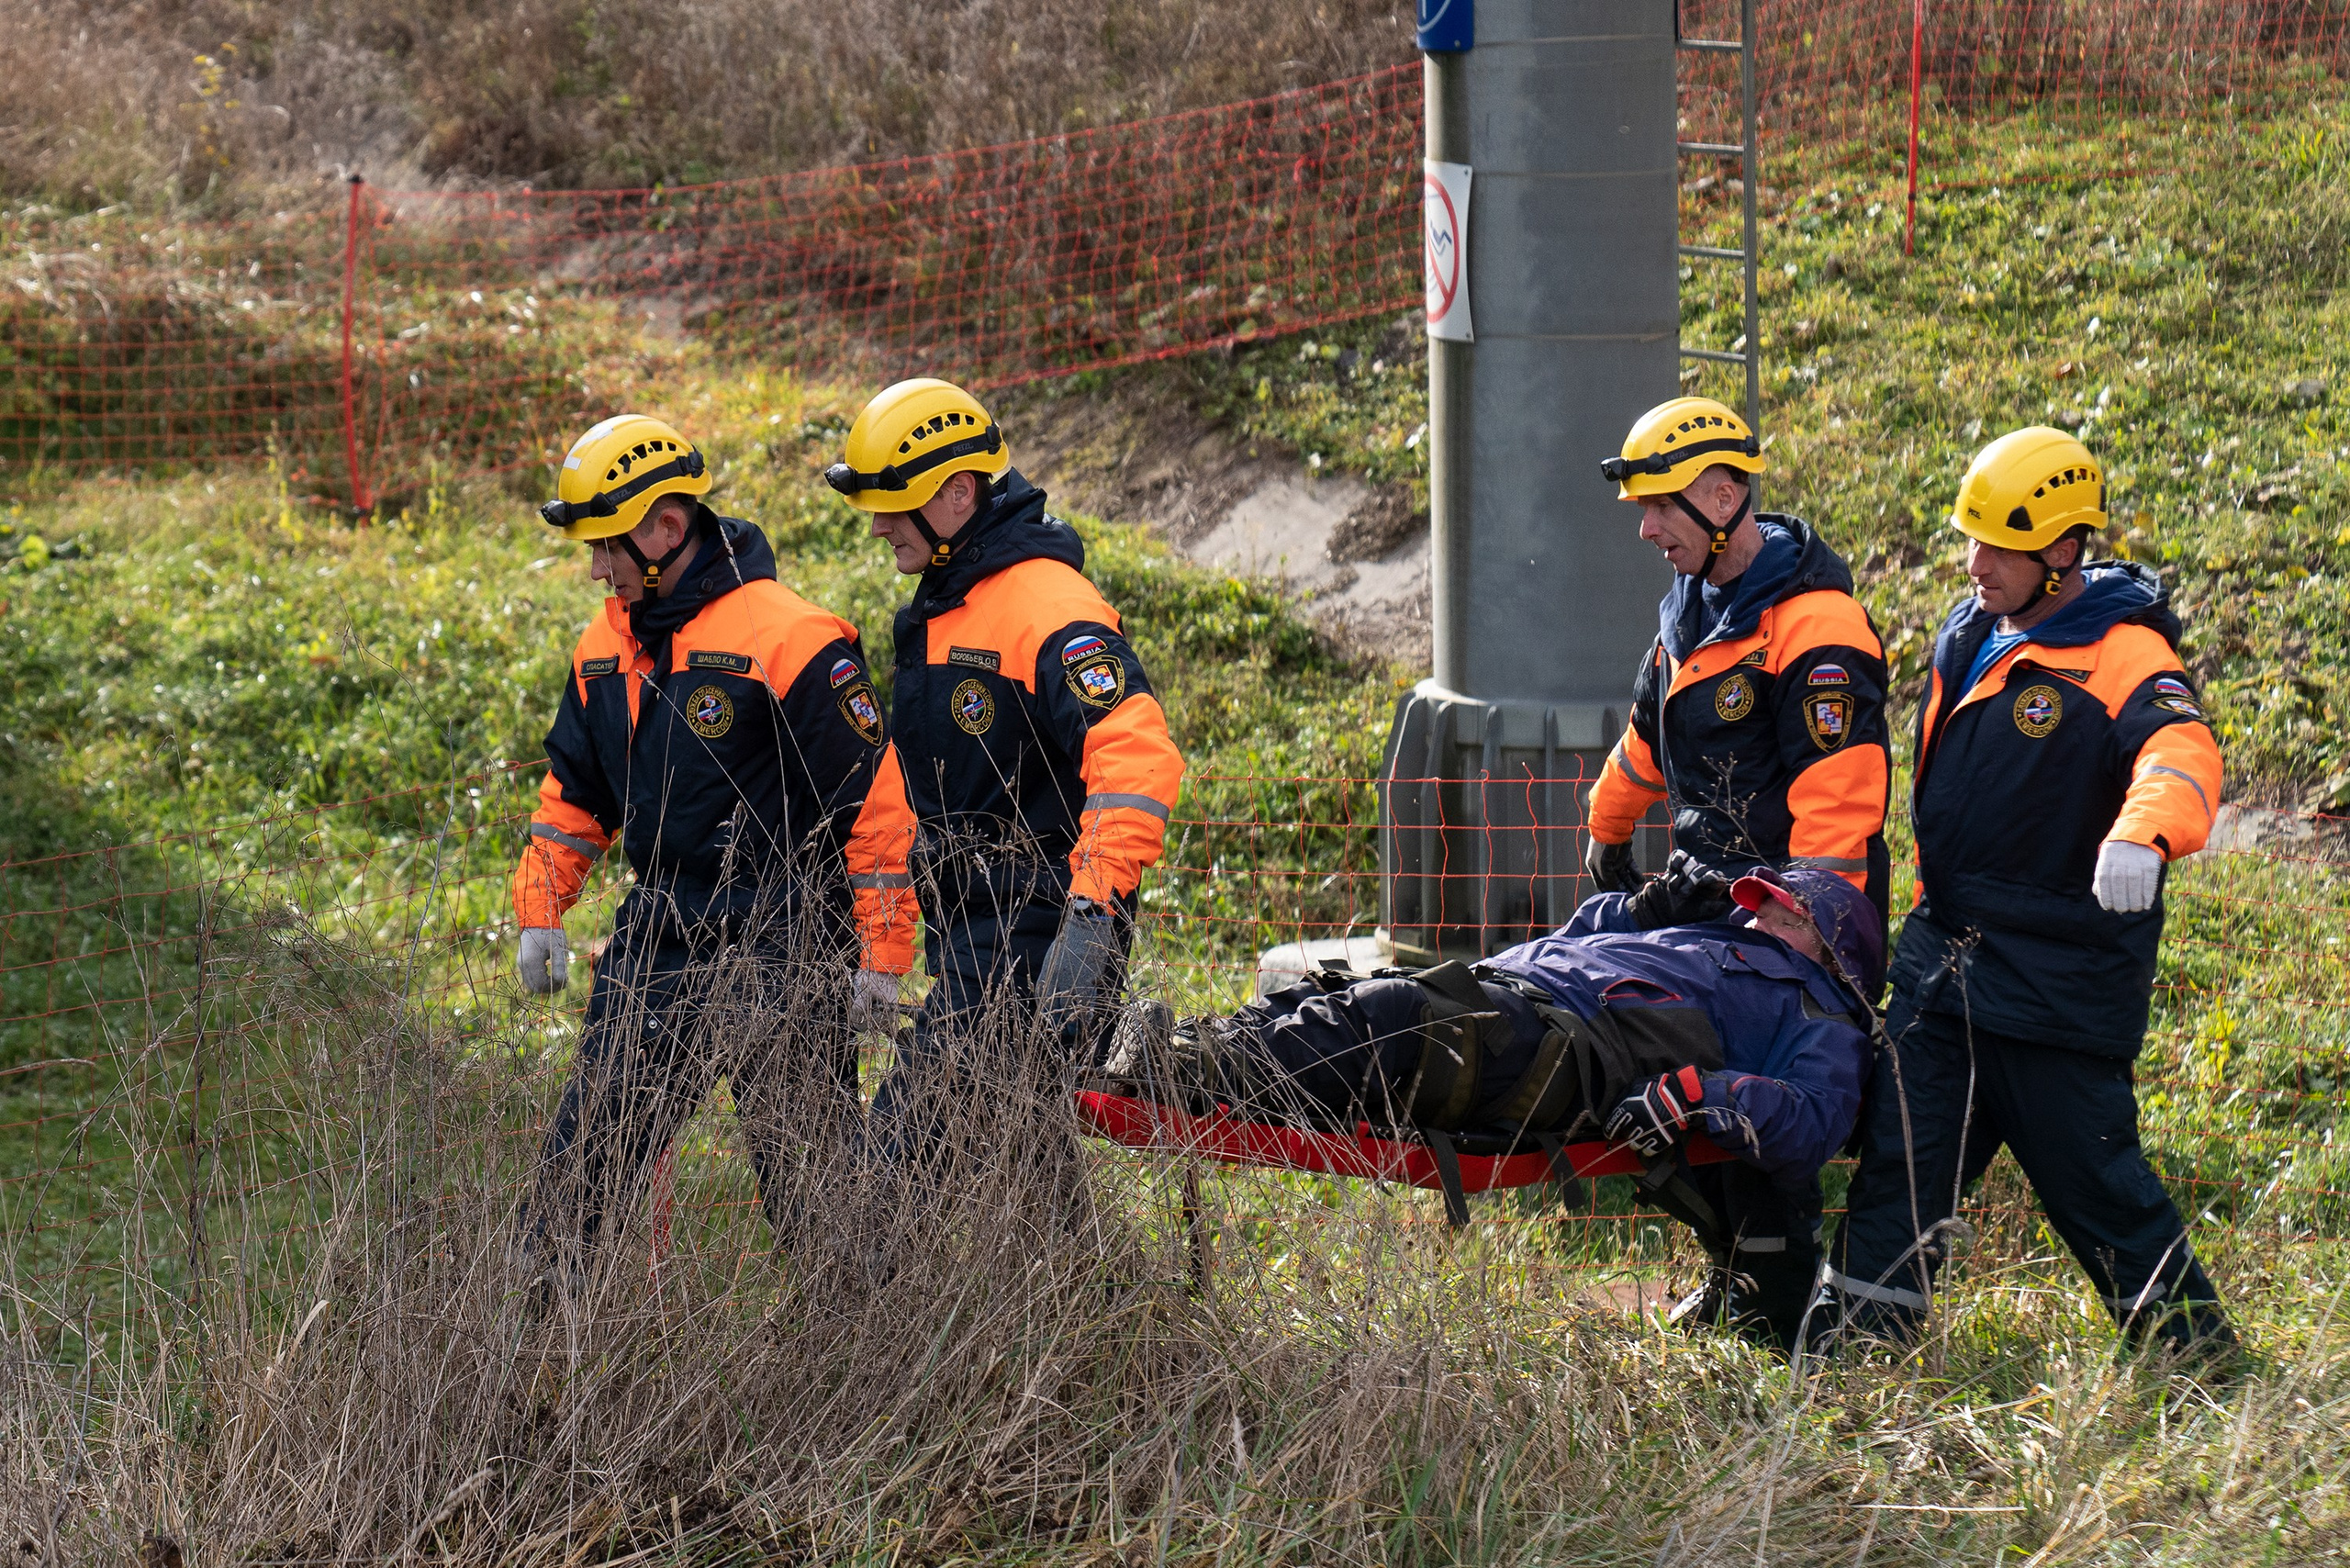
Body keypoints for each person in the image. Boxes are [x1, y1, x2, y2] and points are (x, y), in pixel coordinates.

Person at [1815, 426, 2233, 1358]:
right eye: (1970, 539)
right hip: (1945, 968)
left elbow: (2182, 754)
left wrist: (2144, 831)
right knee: (1898, 1170)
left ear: (2062, 549)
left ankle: (2198, 1364)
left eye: (1999, 545)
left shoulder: (2124, 655)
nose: (1975, 562)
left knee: (2098, 1190)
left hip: (2054, 987)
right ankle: (1850, 1357)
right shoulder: (1968, 636)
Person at [1096, 868, 1883, 1350]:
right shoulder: (1703, 939)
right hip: (1518, 995)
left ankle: (1177, 1065)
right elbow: (1582, 938)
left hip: (1565, 1051)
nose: (1759, 918)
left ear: (1833, 950)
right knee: (1345, 998)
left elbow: (1812, 1119)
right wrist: (1644, 905)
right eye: (1761, 908)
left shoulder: (1821, 1016)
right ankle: (1185, 1054)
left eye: (1784, 915)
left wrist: (1697, 1096)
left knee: (1397, 1017)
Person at [510, 413, 918, 1267]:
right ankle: (536, 1363)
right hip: (660, 936)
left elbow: (874, 804)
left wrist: (882, 950)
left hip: (786, 942)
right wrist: (542, 902)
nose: (595, 568)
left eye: (605, 546)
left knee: (817, 1196)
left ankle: (862, 1359)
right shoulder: (605, 644)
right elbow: (576, 795)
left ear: (666, 526)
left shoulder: (792, 636)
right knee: (576, 1179)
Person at [824, 379, 1186, 1157]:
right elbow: (910, 792)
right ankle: (1088, 1284)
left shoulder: (1051, 609)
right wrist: (886, 944)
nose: (882, 525)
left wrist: (1089, 925)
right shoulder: (941, 611)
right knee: (1025, 1181)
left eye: (895, 502)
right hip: (968, 936)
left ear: (958, 493)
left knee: (876, 1185)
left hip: (1037, 939)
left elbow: (1138, 758)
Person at [1583, 397, 1893, 924]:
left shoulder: (1818, 632)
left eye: (1661, 506)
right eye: (1643, 510)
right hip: (1697, 901)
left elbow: (1836, 819)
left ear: (1724, 500)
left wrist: (1797, 934)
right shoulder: (1687, 620)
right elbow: (1651, 740)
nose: (1647, 529)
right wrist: (1608, 829)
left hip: (1777, 924)